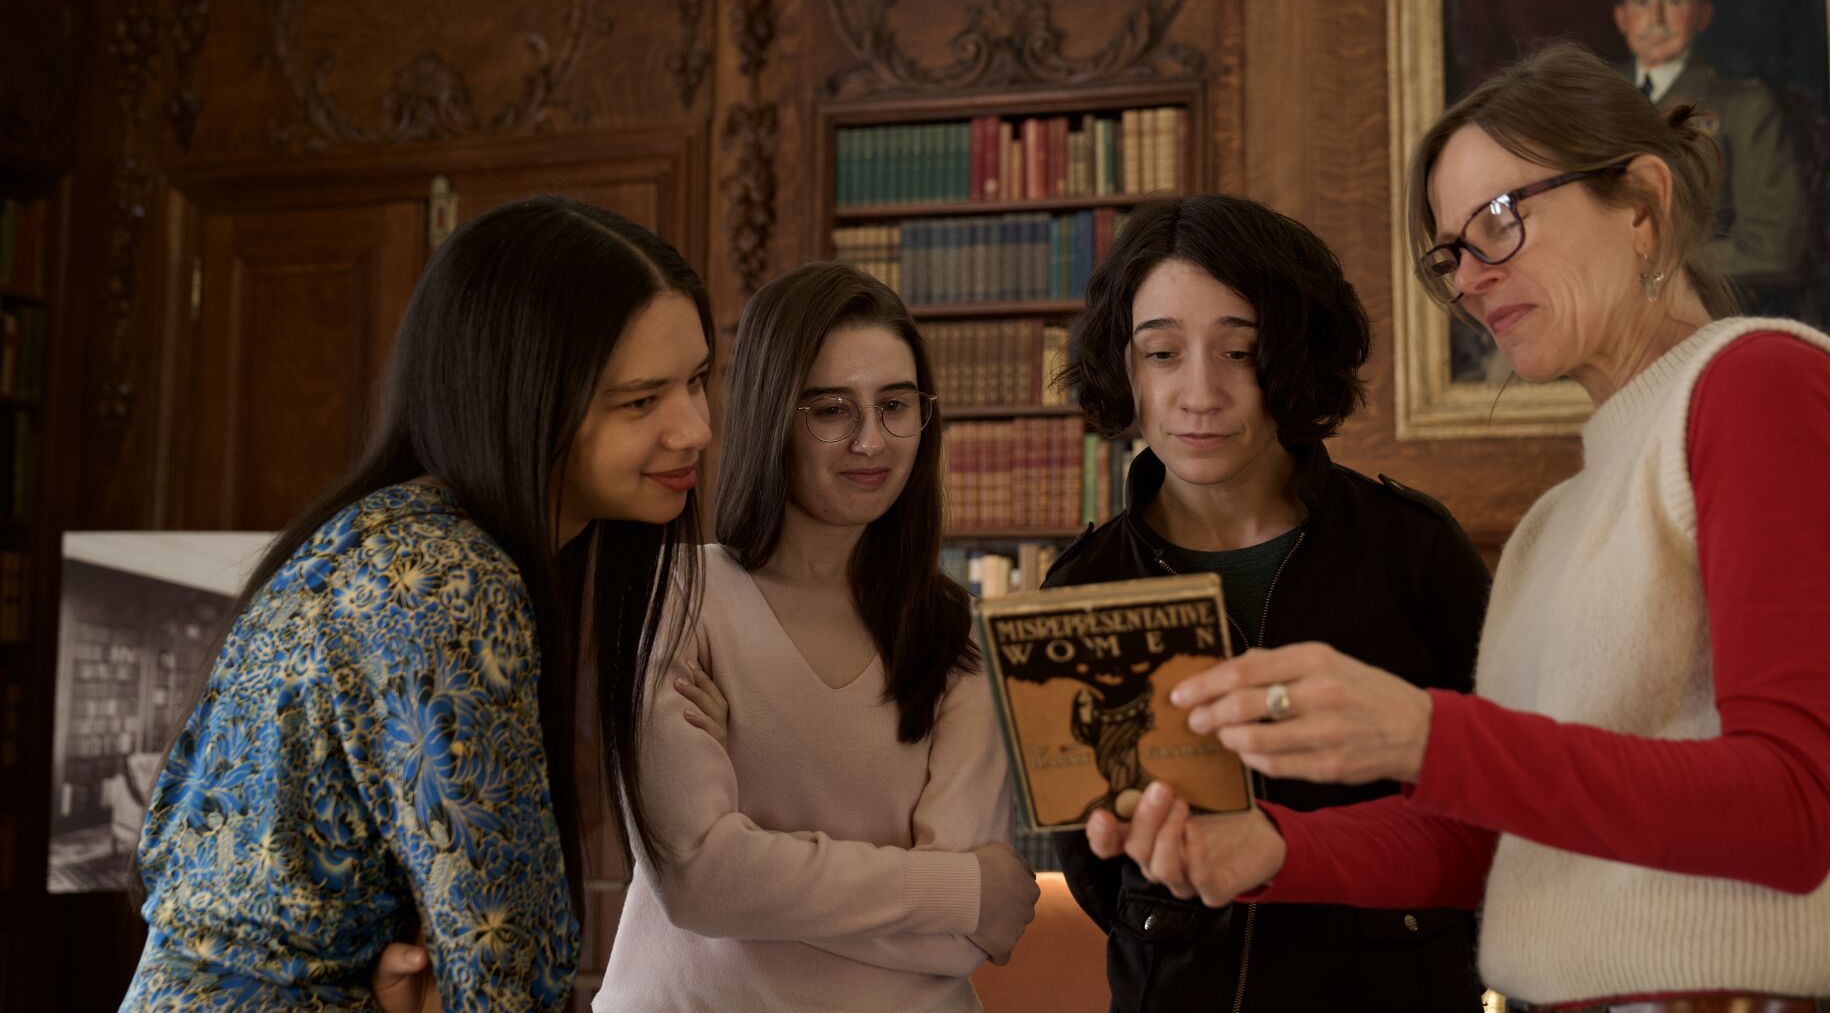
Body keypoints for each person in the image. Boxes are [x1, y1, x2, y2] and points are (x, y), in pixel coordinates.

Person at [1095, 43, 1830, 1009]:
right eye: (1452, 249)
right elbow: (1495, 844)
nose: (1472, 278)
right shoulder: (1551, 522)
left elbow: (1793, 808)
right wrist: (1271, 844)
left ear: (1642, 202)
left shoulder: (1758, 383)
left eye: (1502, 220)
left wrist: (1423, 731)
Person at [119, 196, 716, 1012]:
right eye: (642, 401)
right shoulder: (448, 579)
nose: (696, 428)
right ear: (523, 397)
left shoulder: (395, 536)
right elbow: (508, 963)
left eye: (697, 380)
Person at [1044, 193, 1491, 1011]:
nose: (1200, 392)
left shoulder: (1413, 549)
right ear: (1125, 368)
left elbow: (1495, 793)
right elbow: (1093, 863)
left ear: (1291, 357)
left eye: (1240, 351)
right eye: (1162, 354)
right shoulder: (1084, 583)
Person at [590, 262, 1039, 1012]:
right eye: (832, 409)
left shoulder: (955, 630)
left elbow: (965, 934)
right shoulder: (676, 594)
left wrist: (755, 866)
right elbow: (698, 879)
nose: (872, 440)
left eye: (896, 404)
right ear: (773, 414)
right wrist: (952, 889)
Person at [1614, 0, 1805, 285]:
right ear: (1622, 18)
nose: (1656, 17)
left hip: (1698, 302)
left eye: (1673, 1)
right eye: (1642, 2)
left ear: (1701, 15)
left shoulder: (1745, 106)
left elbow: (1771, 245)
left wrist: (1658, 266)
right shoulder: (1589, 103)